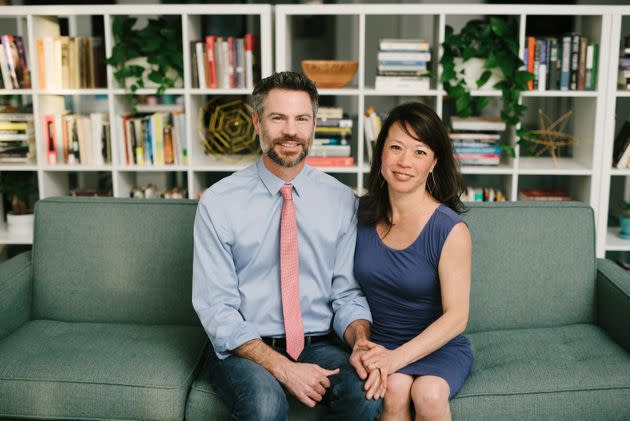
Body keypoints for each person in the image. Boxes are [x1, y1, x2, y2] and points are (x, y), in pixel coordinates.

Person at [192, 71, 382, 421]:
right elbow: (218, 310)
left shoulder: (341, 201)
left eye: (301, 119)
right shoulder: (218, 203)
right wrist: (282, 367)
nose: (291, 131)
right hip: (244, 348)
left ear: (313, 125)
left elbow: (347, 296)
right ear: (256, 122)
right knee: (265, 406)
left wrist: (360, 340)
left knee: (366, 394)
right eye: (278, 118)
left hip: (320, 342)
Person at [353, 102, 473, 421]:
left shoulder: (449, 229)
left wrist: (395, 359)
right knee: (392, 389)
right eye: (396, 147)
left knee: (428, 393)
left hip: (437, 346)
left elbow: (457, 317)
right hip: (379, 343)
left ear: (433, 162)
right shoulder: (358, 214)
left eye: (420, 152)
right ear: (381, 154)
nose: (405, 162)